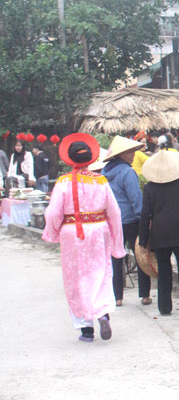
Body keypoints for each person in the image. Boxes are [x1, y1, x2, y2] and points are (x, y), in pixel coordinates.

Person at [42, 133, 124, 343]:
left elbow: (53, 214)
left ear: (69, 159)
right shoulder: (101, 181)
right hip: (98, 230)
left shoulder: (63, 183)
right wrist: (117, 242)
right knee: (100, 272)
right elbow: (114, 212)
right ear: (90, 158)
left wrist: (52, 232)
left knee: (75, 278)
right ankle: (102, 313)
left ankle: (86, 329)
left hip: (72, 233)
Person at [139, 149, 179, 315]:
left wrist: (143, 240)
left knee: (164, 271)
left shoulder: (150, 188)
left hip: (160, 233)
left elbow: (145, 214)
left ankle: (165, 307)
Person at [102, 136, 151, 307]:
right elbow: (135, 198)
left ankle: (117, 297)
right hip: (130, 220)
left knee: (116, 257)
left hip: (113, 220)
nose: (132, 155)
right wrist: (143, 218)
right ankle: (144, 294)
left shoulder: (105, 172)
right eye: (129, 152)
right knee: (140, 255)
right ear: (120, 155)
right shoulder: (127, 172)